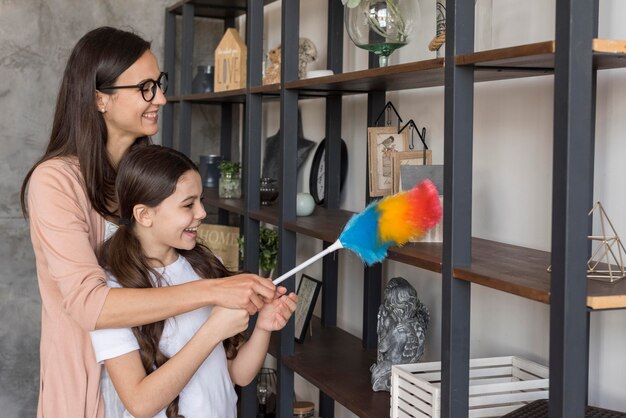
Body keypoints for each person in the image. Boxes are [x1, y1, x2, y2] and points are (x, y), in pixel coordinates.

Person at [20, 27, 276, 418]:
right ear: (100, 98)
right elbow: (91, 305)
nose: (161, 97)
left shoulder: (147, 173)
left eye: (159, 84)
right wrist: (213, 292)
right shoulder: (54, 182)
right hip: (93, 393)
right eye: (145, 88)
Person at [90, 145, 298, 418]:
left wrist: (263, 327)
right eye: (188, 204)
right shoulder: (113, 292)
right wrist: (212, 330)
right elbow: (140, 404)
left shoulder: (204, 264)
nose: (201, 212)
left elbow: (238, 375)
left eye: (200, 201)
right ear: (144, 215)